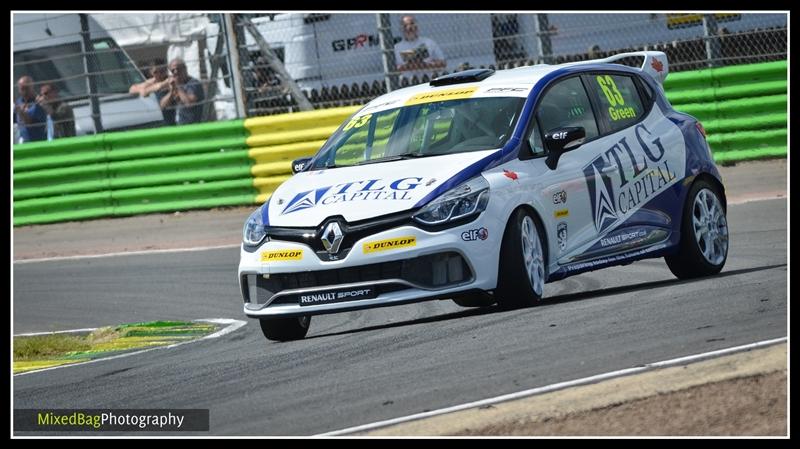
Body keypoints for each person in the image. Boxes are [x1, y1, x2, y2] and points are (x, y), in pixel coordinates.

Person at [393, 15, 446, 82]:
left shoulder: (429, 43)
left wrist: (426, 64)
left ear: (417, 26)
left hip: (428, 80)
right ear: (401, 29)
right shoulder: (397, 48)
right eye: (405, 25)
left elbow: (443, 63)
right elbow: (393, 70)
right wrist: (408, 66)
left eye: (412, 24)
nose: (409, 27)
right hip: (407, 83)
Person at [129, 58, 175, 125]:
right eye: (156, 72)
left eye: (161, 71)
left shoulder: (170, 81)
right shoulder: (152, 81)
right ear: (151, 72)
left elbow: (145, 92)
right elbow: (132, 89)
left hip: (170, 118)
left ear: (166, 70)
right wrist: (154, 86)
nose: (159, 75)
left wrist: (160, 85)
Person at [165, 58, 205, 125]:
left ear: (185, 69)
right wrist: (171, 92)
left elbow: (189, 103)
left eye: (178, 69)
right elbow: (163, 106)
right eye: (173, 70)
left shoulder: (193, 83)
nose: (175, 72)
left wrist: (178, 86)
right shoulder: (175, 85)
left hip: (192, 125)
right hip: (179, 124)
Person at [14, 75, 48, 143]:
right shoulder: (19, 101)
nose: (24, 91)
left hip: (38, 143)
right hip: (24, 142)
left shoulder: (39, 102)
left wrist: (19, 110)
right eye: (22, 88)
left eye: (27, 88)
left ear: (32, 87)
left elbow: (29, 122)